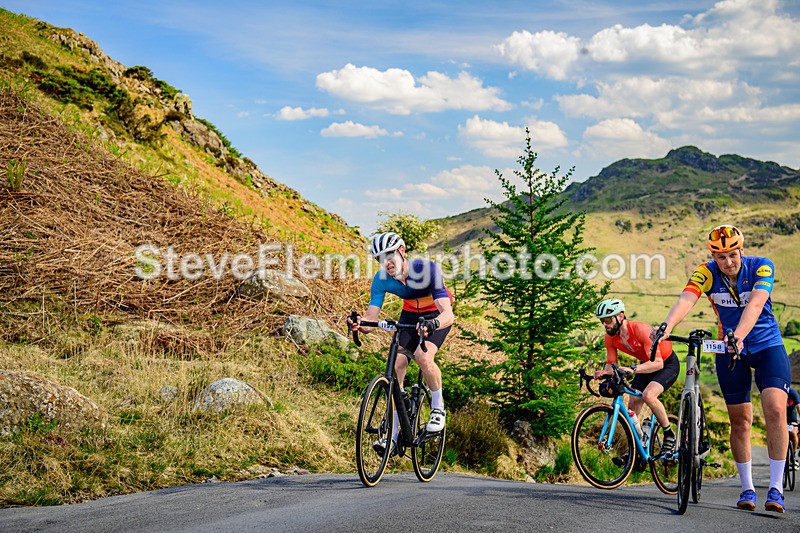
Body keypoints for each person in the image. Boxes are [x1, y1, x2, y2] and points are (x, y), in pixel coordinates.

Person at [652, 224, 791, 513]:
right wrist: (668, 326)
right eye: (720, 257)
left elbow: (756, 304)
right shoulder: (707, 272)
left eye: (732, 255)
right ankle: (747, 488)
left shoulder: (762, 266)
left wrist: (738, 336)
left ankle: (776, 488)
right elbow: (687, 298)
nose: (727, 262)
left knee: (776, 410)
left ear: (742, 250)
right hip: (728, 350)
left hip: (766, 346)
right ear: (713, 256)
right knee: (740, 421)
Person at [348, 231, 454, 454]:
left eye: (389, 256)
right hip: (410, 316)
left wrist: (434, 323)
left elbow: (448, 314)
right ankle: (394, 435)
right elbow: (370, 321)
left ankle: (438, 408)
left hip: (435, 315)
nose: (386, 262)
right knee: (396, 366)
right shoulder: (381, 279)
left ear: (402, 252)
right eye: (380, 258)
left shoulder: (426, 270)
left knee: (423, 357)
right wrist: (360, 324)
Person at [593, 298, 679, 457]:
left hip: (666, 363)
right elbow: (610, 365)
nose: (605, 324)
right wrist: (602, 373)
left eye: (607, 320)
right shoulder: (610, 338)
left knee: (648, 395)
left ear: (620, 316)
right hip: (646, 365)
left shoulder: (640, 329)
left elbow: (658, 363)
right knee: (632, 404)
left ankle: (669, 435)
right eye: (602, 321)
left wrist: (632, 369)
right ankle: (638, 448)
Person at [788, 386, 800, 468]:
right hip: (780, 414)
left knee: (793, 433)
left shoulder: (792, 392)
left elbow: (798, 407)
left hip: (791, 415)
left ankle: (793, 456)